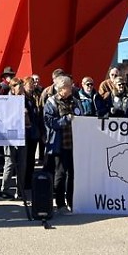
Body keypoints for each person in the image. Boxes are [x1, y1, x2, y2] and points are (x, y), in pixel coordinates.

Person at [43, 74, 81, 213]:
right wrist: (65, 120)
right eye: (68, 86)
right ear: (61, 88)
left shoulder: (75, 101)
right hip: (59, 144)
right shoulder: (51, 102)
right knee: (60, 173)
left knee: (72, 174)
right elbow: (49, 122)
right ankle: (59, 203)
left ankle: (71, 200)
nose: (71, 88)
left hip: (74, 143)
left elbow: (82, 115)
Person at [0, 77, 29, 200]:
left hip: (23, 133)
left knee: (22, 163)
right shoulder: (6, 100)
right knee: (10, 162)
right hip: (9, 135)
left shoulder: (26, 99)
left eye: (22, 88)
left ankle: (20, 190)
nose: (21, 91)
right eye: (19, 88)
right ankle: (4, 190)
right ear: (13, 88)